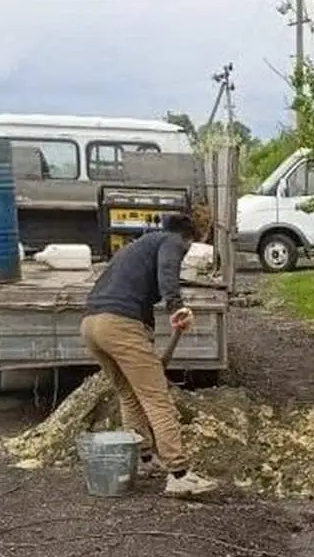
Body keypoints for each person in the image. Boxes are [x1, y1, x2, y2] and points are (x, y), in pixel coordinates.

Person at [81, 213, 218, 497]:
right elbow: (167, 271)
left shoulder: (138, 246)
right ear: (189, 237)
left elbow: (137, 297)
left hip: (91, 324)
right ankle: (179, 474)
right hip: (119, 324)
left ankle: (143, 458)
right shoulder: (173, 241)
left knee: (129, 394)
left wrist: (150, 335)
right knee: (156, 398)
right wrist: (176, 306)